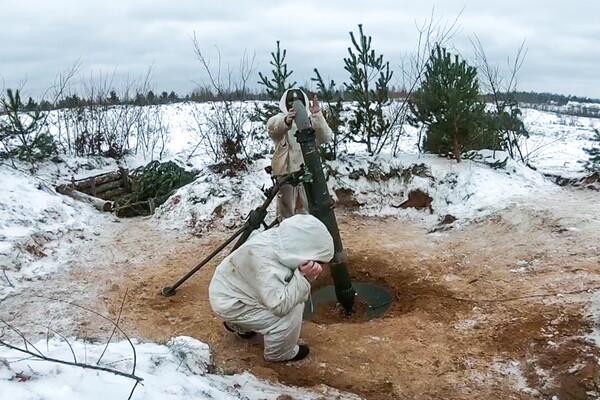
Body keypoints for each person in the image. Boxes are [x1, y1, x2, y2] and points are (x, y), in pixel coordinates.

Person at [208, 214, 333, 362]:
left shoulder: (279, 242)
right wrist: (304, 278)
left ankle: (239, 326)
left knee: (282, 293)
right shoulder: (267, 266)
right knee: (292, 308)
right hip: (231, 302)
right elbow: (280, 306)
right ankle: (280, 354)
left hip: (230, 291)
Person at [267, 88, 333, 221]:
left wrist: (317, 115)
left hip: (307, 176)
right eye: (290, 101)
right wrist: (287, 120)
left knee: (308, 213)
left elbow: (325, 137)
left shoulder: (310, 121)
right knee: (286, 216)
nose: (294, 104)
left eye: (298, 100)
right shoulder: (279, 119)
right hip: (286, 176)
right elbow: (273, 129)